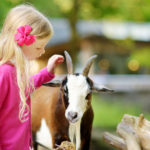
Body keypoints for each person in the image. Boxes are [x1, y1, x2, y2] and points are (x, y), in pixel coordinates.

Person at [0, 4, 64, 150]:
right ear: (21, 43)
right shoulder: (4, 73)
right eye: (38, 47)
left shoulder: (15, 71)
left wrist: (47, 71)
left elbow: (24, 88)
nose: (43, 51)